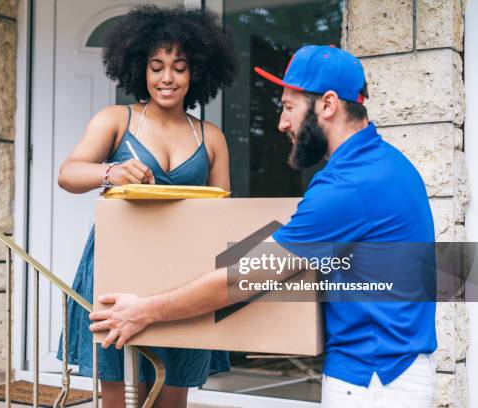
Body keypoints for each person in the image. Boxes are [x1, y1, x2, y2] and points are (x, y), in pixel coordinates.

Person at [89, 45, 438, 407]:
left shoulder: (349, 185)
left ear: (328, 104)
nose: (282, 124)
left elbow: (244, 278)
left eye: (288, 107)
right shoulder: (391, 164)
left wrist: (142, 310)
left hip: (373, 380)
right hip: (393, 370)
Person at [56, 5, 237, 408]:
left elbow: (223, 214)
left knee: (172, 398)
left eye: (179, 66)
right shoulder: (116, 119)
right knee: (116, 397)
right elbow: (67, 174)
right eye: (156, 67)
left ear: (196, 73)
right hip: (118, 269)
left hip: (184, 278)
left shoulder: (212, 137)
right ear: (139, 68)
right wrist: (110, 173)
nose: (167, 78)